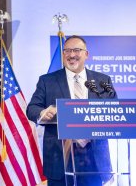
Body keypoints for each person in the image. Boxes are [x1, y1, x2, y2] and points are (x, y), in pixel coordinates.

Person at [26, 35, 117, 186]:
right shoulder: (47, 81)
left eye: (77, 50)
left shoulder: (103, 80)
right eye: (67, 51)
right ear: (63, 54)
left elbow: (114, 111)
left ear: (86, 54)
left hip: (94, 157)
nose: (72, 55)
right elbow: (32, 109)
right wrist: (42, 113)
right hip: (59, 155)